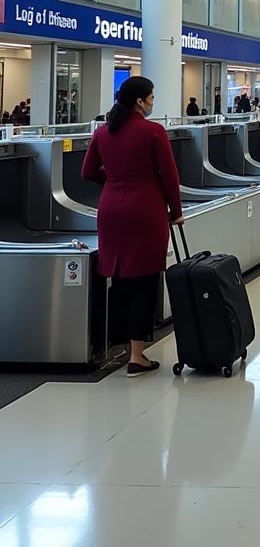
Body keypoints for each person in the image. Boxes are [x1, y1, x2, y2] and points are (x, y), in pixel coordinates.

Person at [81, 76, 183, 377]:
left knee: (121, 277)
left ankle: (120, 346)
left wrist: (114, 181)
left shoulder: (103, 132)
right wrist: (176, 211)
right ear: (140, 101)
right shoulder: (153, 132)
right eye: (151, 99)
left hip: (110, 209)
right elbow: (169, 176)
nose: (153, 103)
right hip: (145, 210)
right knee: (145, 280)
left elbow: (87, 171)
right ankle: (137, 355)